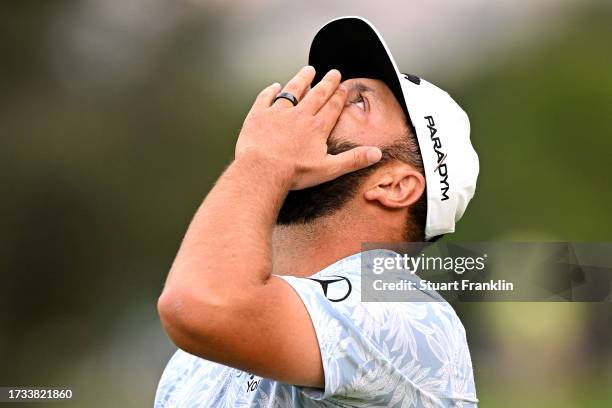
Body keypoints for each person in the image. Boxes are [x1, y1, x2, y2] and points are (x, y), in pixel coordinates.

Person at [155, 16, 479, 407]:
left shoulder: (407, 314)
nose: (313, 102)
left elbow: (197, 307)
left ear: (394, 186)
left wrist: (263, 160)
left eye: (356, 101)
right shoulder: (192, 363)